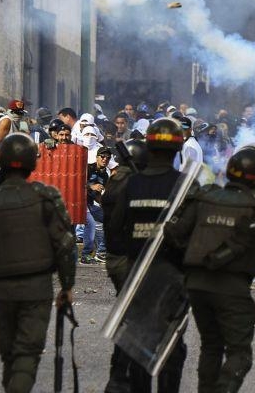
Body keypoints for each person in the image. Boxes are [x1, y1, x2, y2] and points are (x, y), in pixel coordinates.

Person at [164, 146, 255, 393]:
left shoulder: (205, 196)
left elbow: (175, 234)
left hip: (196, 284)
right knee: (240, 354)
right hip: (232, 286)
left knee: (210, 345)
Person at [0, 133, 76, 392]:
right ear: (31, 162)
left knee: (10, 356)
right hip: (37, 289)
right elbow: (65, 244)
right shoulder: (45, 197)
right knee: (26, 354)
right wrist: (67, 285)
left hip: (1, 291)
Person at [107, 118, 188, 392]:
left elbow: (115, 233)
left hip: (137, 277)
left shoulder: (130, 185)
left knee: (140, 347)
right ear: (178, 149)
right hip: (173, 279)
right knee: (172, 350)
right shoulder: (185, 186)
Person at [102, 139, 148, 392]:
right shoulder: (131, 183)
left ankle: (120, 375)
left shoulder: (116, 179)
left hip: (115, 257)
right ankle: (120, 376)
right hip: (128, 257)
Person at [81, 146, 112, 264]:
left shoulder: (105, 175)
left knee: (111, 220)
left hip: (90, 204)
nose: (105, 159)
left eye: (108, 158)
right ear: (97, 157)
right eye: (102, 157)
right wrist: (91, 186)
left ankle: (101, 252)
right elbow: (78, 183)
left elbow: (97, 195)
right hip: (79, 203)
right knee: (91, 224)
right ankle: (85, 255)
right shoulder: (88, 168)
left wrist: (103, 203)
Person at [0, 99, 25, 185]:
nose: (18, 115)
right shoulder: (6, 121)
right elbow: (0, 147)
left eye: (20, 113)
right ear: (10, 111)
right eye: (16, 112)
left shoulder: (14, 123)